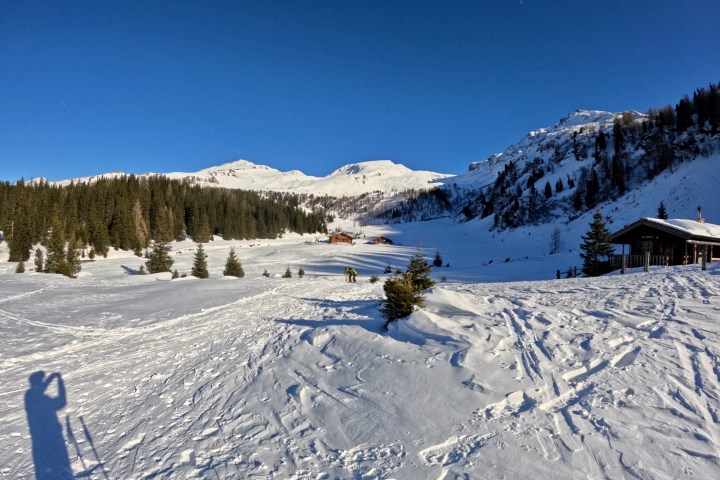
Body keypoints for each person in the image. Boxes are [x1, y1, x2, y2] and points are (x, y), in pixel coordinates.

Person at [25, 371, 73, 479]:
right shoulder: (43, 400)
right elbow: (62, 401)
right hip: (52, 438)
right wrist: (59, 381)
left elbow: (40, 388)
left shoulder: (29, 396)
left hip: (39, 441)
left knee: (44, 470)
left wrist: (52, 378)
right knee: (58, 467)